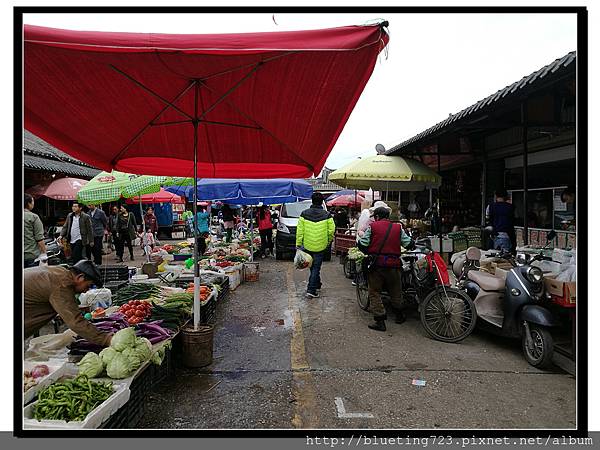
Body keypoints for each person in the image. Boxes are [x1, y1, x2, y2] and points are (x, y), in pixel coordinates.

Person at [24, 260, 112, 347]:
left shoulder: (61, 273)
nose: (86, 291)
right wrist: (107, 340)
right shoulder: (62, 285)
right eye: (88, 286)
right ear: (80, 277)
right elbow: (75, 322)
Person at [357, 206, 414, 332]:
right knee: (396, 291)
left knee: (375, 292)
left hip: (377, 266)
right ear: (388, 217)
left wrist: (365, 248)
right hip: (395, 265)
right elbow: (408, 244)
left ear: (377, 217)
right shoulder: (398, 227)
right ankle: (399, 316)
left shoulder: (373, 227)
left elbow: (363, 243)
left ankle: (380, 321)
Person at [295, 192, 335, 298]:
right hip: (321, 245)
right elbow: (331, 230)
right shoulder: (327, 215)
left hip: (307, 245)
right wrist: (328, 241)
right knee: (316, 267)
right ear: (322, 202)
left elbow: (300, 231)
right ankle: (311, 290)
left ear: (312, 201)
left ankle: (317, 284)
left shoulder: (304, 214)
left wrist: (298, 243)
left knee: (312, 267)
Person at [24, 193, 47, 268]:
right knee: (32, 278)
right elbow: (39, 238)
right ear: (28, 203)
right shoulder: (33, 217)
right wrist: (44, 254)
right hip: (31, 255)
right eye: (33, 201)